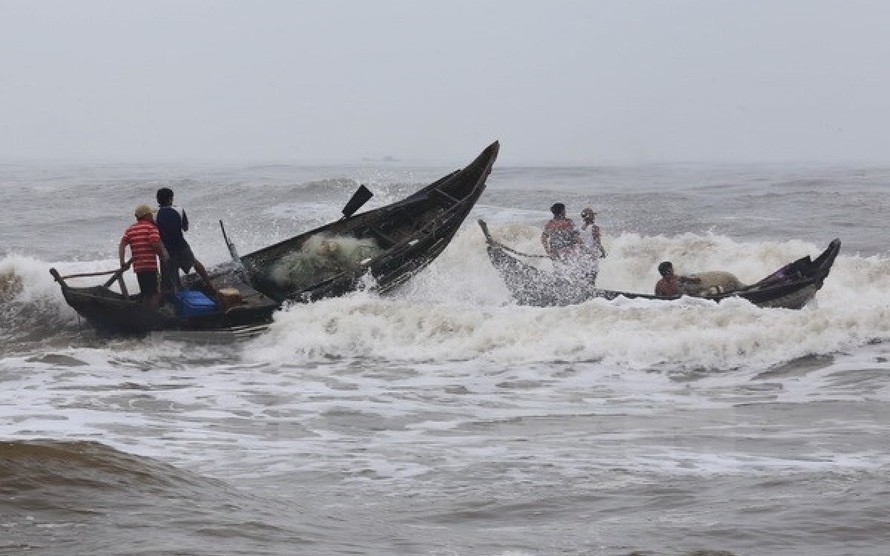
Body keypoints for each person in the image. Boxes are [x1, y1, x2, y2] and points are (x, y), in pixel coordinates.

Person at [155, 187, 215, 294]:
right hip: (181, 245)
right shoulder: (179, 209)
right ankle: (210, 284)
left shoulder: (154, 214)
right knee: (194, 263)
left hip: (166, 250)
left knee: (169, 275)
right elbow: (185, 228)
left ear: (158, 200)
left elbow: (155, 233)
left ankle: (172, 294)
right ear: (170, 199)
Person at [119, 204, 167, 308]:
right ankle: (152, 315)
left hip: (138, 267)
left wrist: (122, 262)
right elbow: (154, 244)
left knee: (145, 293)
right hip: (150, 266)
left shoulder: (130, 229)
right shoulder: (151, 227)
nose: (152, 216)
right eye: (150, 214)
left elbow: (122, 246)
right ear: (147, 215)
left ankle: (146, 312)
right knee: (154, 293)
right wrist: (162, 256)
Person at [578, 207, 606, 284]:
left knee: (583, 277)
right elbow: (597, 242)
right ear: (592, 217)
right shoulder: (595, 228)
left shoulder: (580, 228)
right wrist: (603, 252)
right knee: (592, 277)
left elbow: (578, 242)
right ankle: (591, 294)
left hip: (582, 255)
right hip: (592, 256)